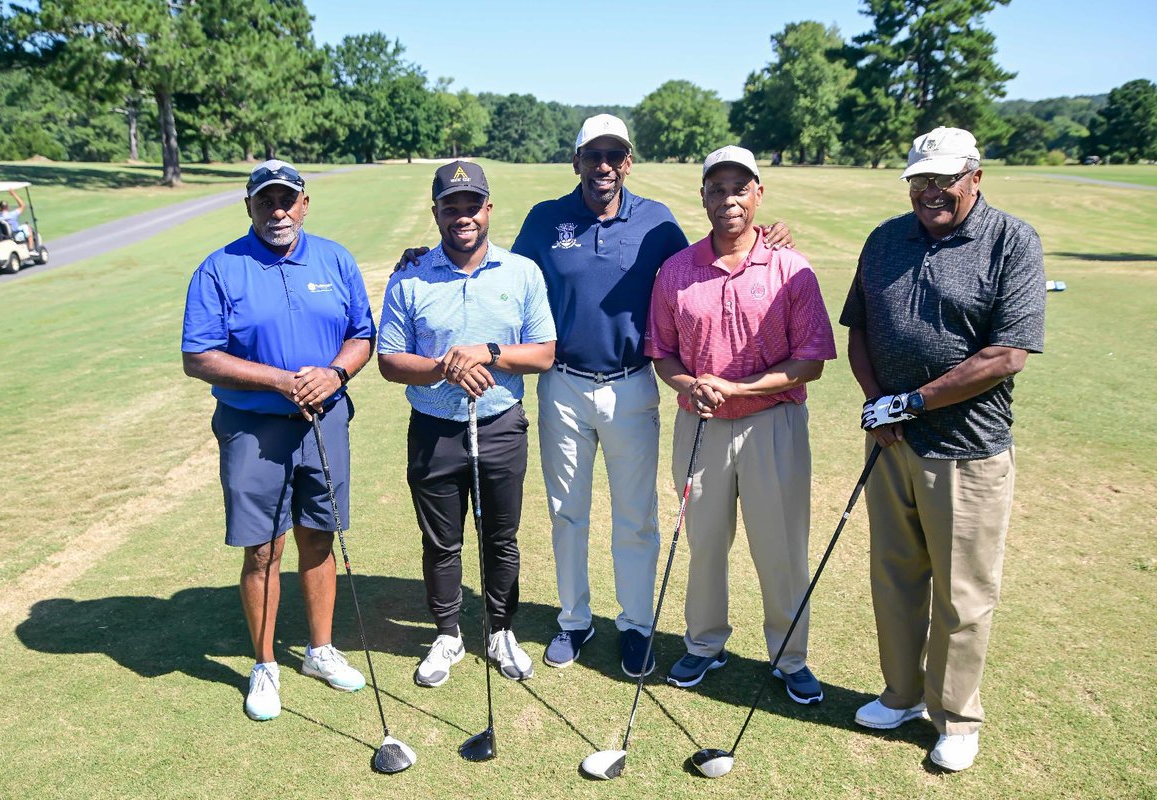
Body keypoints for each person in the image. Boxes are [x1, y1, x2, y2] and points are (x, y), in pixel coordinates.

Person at [399, 115, 794, 677]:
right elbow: (494, 264)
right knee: (567, 513)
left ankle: (635, 624)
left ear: (628, 162)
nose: (603, 166)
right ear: (577, 160)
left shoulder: (656, 221)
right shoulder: (546, 219)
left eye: (614, 155)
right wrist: (427, 254)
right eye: (593, 155)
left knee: (636, 517)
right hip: (562, 383)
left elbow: (700, 264)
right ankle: (574, 620)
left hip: (632, 383)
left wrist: (765, 237)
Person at [840, 127, 1045, 771]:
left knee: (963, 594)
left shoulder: (1011, 241)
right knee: (894, 578)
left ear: (975, 177)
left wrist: (913, 402)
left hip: (967, 449)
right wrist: (878, 401)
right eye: (920, 179)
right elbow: (859, 330)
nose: (931, 190)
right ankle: (901, 695)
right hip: (891, 443)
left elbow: (1007, 354)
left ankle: (955, 717)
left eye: (945, 178)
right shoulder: (884, 239)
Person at [181, 159, 375, 722]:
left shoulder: (335, 259)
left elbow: (361, 334)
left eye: (287, 200)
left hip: (324, 421)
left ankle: (320, 650)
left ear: (305, 204)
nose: (278, 211)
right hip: (253, 426)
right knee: (263, 548)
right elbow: (199, 356)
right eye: (265, 201)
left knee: (319, 536)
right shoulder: (220, 269)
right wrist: (280, 381)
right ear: (249, 207)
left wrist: (335, 373)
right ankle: (264, 664)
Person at [646, 146, 836, 699]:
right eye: (717, 189)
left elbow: (811, 362)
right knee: (704, 544)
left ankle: (789, 656)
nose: (728, 199)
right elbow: (663, 354)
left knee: (781, 549)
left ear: (758, 194)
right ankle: (704, 644)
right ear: (703, 197)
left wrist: (738, 387)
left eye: (739, 188)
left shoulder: (790, 268)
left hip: (773, 425)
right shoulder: (676, 270)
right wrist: (690, 385)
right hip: (700, 425)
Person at [378, 161, 556, 688]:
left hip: (501, 425)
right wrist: (444, 367)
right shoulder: (409, 278)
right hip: (434, 428)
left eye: (472, 206)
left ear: (488, 209)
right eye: (450, 206)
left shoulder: (521, 272)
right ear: (435, 212)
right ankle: (448, 634)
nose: (463, 216)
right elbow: (390, 360)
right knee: (442, 542)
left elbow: (544, 353)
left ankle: (500, 630)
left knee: (501, 538)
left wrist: (489, 353)